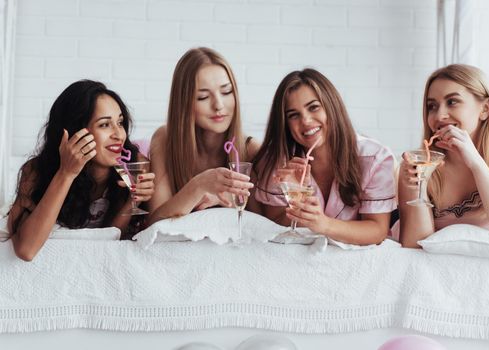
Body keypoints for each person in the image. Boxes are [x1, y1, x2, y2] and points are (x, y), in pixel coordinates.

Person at [7, 80, 155, 261]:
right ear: (75, 132)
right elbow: (26, 250)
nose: (119, 135)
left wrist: (132, 202)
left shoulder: (135, 165)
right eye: (104, 125)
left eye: (120, 122)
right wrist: (66, 173)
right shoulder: (36, 171)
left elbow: (111, 243)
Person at [251, 68, 396, 245]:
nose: (305, 120)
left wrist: (324, 224)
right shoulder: (278, 161)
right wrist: (297, 198)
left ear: (331, 106)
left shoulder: (375, 158)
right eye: (293, 115)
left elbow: (377, 230)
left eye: (313, 107)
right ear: (285, 123)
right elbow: (274, 223)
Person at [398, 64, 489, 247]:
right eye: (432, 106)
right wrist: (420, 185)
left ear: (485, 109)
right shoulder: (417, 164)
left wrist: (475, 163)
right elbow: (414, 245)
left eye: (452, 102)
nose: (439, 115)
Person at [148, 47, 258, 224]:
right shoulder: (165, 139)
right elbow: (154, 221)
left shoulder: (251, 150)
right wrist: (198, 185)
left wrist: (228, 199)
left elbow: (266, 222)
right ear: (184, 103)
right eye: (203, 97)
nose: (219, 105)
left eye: (226, 92)